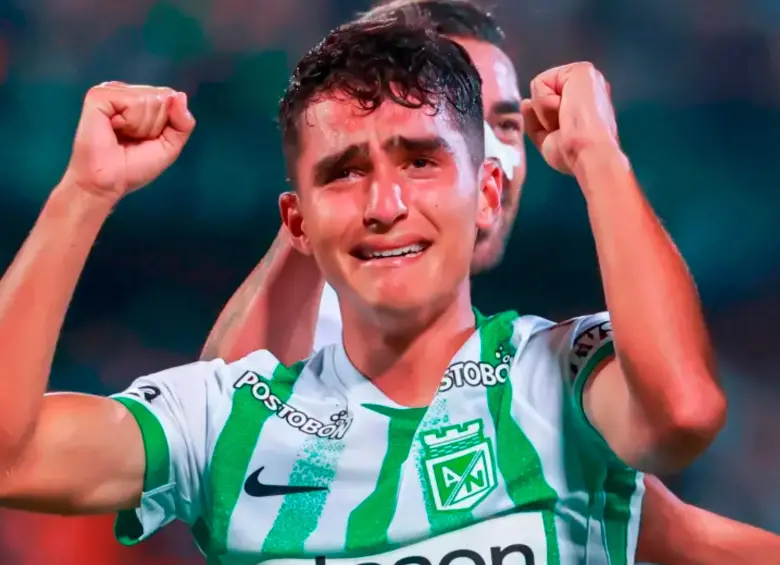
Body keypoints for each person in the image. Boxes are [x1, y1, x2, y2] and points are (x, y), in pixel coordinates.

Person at [0, 16, 724, 565]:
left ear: (487, 191)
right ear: (299, 223)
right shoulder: (225, 417)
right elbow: (11, 458)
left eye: (420, 161)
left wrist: (600, 157)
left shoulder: (556, 373)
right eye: (344, 171)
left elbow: (682, 414)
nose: (384, 203)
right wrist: (84, 193)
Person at [202, 2, 779, 563]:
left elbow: (677, 532)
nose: (496, 153)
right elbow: (217, 458)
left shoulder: (510, 373)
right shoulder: (325, 347)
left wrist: (599, 156)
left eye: (506, 122)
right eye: (462, 119)